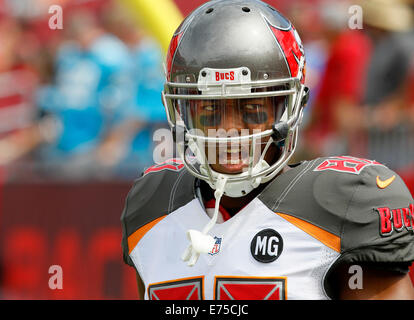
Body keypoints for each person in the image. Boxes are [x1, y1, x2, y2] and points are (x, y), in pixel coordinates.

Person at [121, 0, 414, 300]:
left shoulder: (345, 204)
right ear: (181, 113)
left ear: (289, 108)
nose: (230, 129)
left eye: (253, 109)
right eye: (209, 110)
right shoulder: (153, 205)